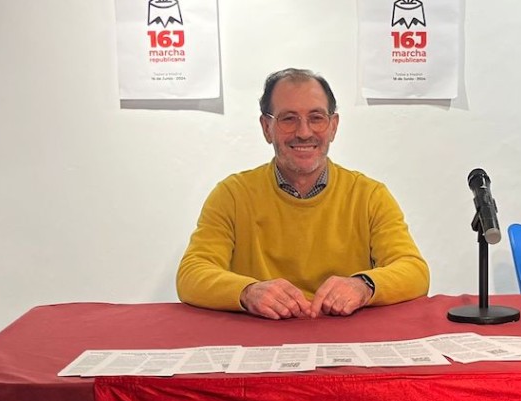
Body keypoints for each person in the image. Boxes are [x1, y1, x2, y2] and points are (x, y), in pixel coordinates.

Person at [177, 68, 430, 319]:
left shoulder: (369, 196)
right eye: (288, 118)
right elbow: (192, 274)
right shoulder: (231, 195)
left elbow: (414, 271)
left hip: (345, 340)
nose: (304, 132)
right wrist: (247, 292)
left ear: (333, 126)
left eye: (316, 117)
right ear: (267, 127)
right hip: (260, 340)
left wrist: (364, 285)